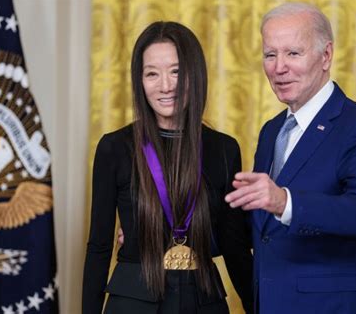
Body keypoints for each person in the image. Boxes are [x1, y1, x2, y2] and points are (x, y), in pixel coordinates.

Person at [225, 2, 356, 314]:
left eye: (293, 53)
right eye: (270, 54)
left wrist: (285, 202)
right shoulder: (272, 130)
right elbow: (262, 230)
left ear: (326, 55)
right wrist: (154, 232)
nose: (279, 67)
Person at [82, 21, 253, 314]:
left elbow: (233, 243)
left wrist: (255, 305)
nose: (166, 85)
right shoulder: (114, 147)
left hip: (204, 300)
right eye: (152, 74)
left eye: (177, 71)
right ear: (139, 80)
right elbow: (99, 245)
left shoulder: (224, 149)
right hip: (133, 301)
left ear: (195, 75)